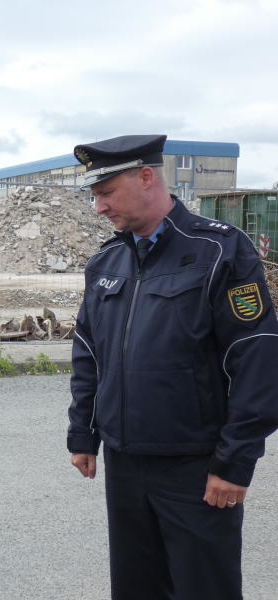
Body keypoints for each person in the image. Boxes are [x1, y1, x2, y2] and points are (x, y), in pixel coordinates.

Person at [67, 134, 278, 599]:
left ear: (146, 177)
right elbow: (88, 351)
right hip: (125, 463)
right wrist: (83, 432)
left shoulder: (220, 251)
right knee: (136, 588)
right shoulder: (106, 260)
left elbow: (258, 358)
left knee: (205, 588)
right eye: (94, 196)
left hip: (196, 466)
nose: (98, 208)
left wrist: (236, 462)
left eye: (106, 193)